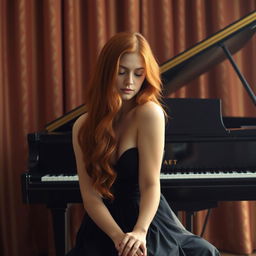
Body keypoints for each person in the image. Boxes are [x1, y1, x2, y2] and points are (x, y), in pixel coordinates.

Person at [66, 32, 220, 256]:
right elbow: (90, 198)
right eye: (121, 72)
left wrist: (139, 232)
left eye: (138, 74)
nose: (130, 82)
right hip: (104, 225)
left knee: (204, 252)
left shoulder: (149, 114)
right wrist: (119, 238)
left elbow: (150, 184)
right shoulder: (82, 126)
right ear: (106, 72)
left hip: (146, 218)